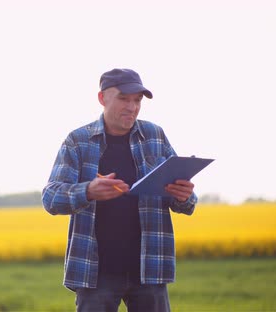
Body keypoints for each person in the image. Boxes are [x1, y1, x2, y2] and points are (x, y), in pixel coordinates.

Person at [42, 68, 197, 312]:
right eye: (124, 99)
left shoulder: (155, 136)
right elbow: (50, 198)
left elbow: (187, 202)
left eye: (137, 100)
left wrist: (184, 196)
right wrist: (88, 191)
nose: (132, 107)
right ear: (102, 99)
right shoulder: (78, 141)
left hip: (149, 268)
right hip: (95, 272)